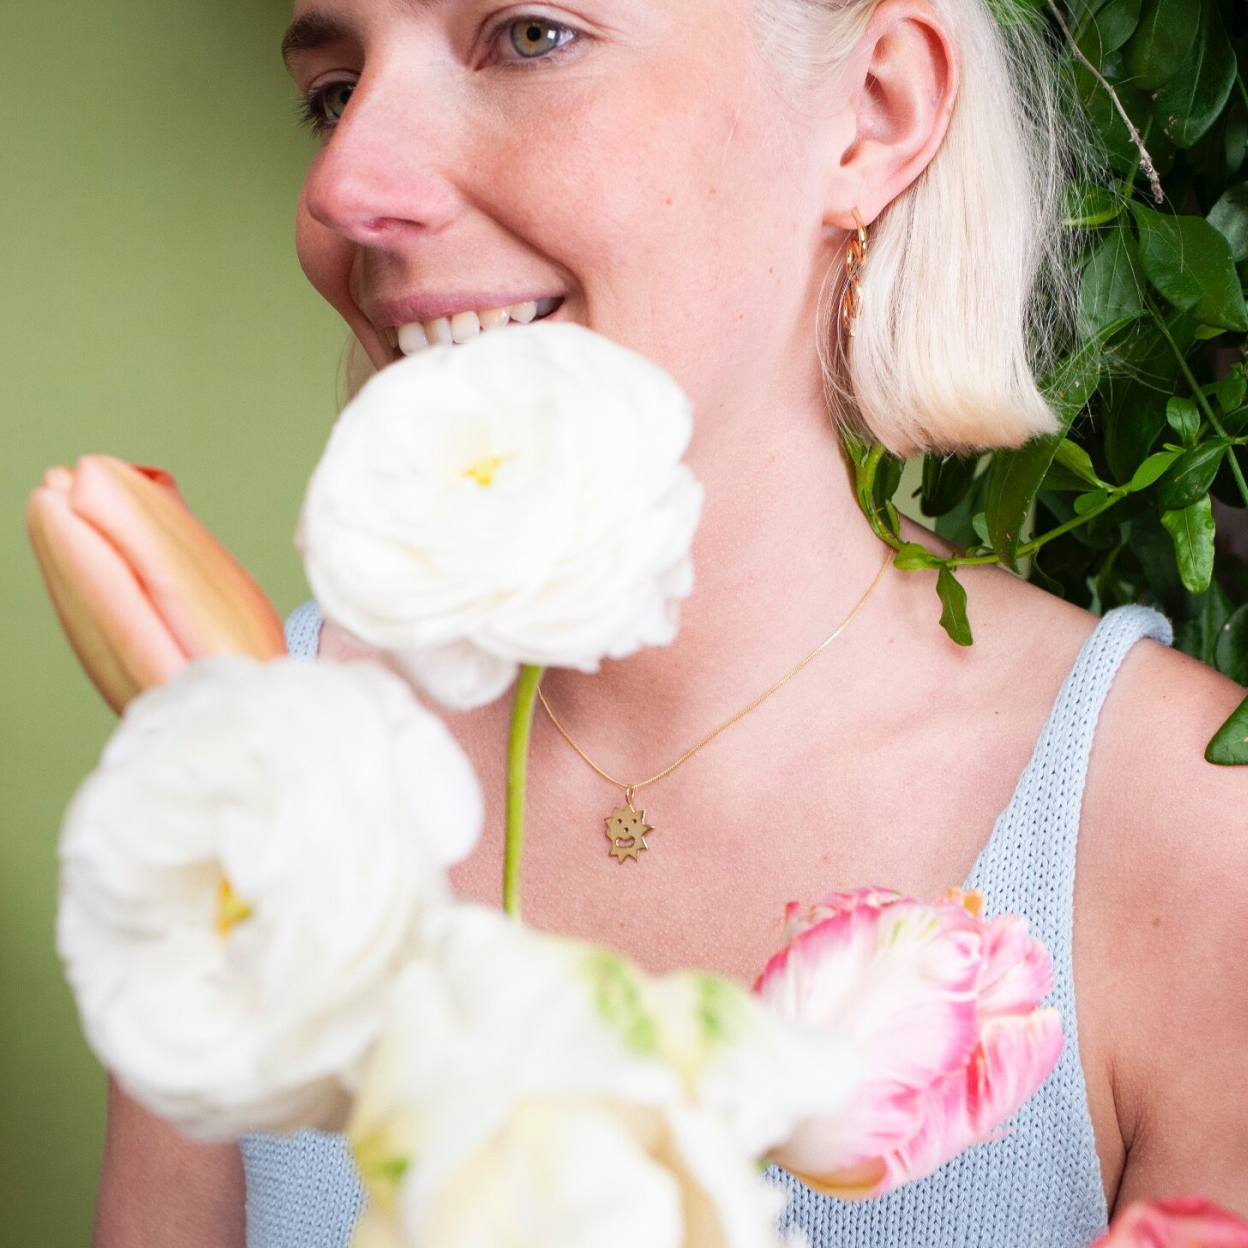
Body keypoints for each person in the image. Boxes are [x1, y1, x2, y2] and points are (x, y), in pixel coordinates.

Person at [93, 0, 1248, 1244]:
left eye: (530, 37)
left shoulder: (1193, 840)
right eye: (333, 93)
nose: (344, 186)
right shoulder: (246, 766)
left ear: (872, 113)